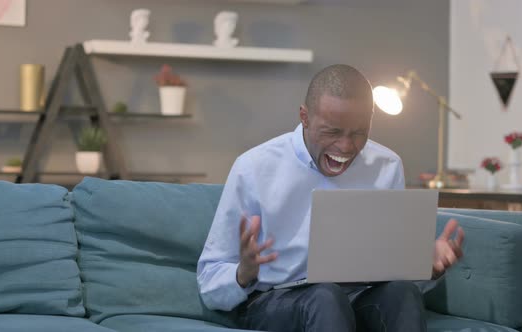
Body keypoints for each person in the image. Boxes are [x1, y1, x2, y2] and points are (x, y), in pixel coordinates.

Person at [197, 64, 464, 332]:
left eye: (358, 132)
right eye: (332, 132)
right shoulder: (253, 167)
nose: (346, 147)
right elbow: (209, 283)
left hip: (355, 299)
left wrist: (424, 265)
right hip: (273, 301)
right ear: (305, 117)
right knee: (324, 298)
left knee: (403, 293)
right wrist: (243, 273)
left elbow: (389, 271)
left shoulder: (387, 166)